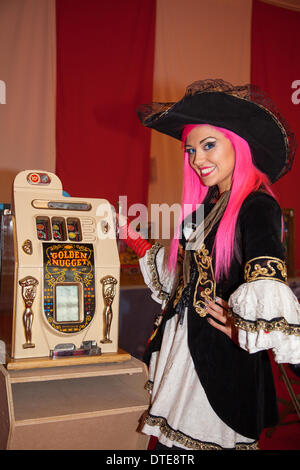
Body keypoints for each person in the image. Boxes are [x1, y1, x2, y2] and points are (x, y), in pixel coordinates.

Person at [119, 79, 300, 450]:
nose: (197, 159)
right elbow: (179, 276)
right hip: (182, 352)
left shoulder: (257, 206)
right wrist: (128, 233)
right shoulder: (204, 210)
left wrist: (245, 329)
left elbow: (269, 289)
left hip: (220, 367)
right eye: (190, 150)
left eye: (208, 145)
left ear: (239, 144)